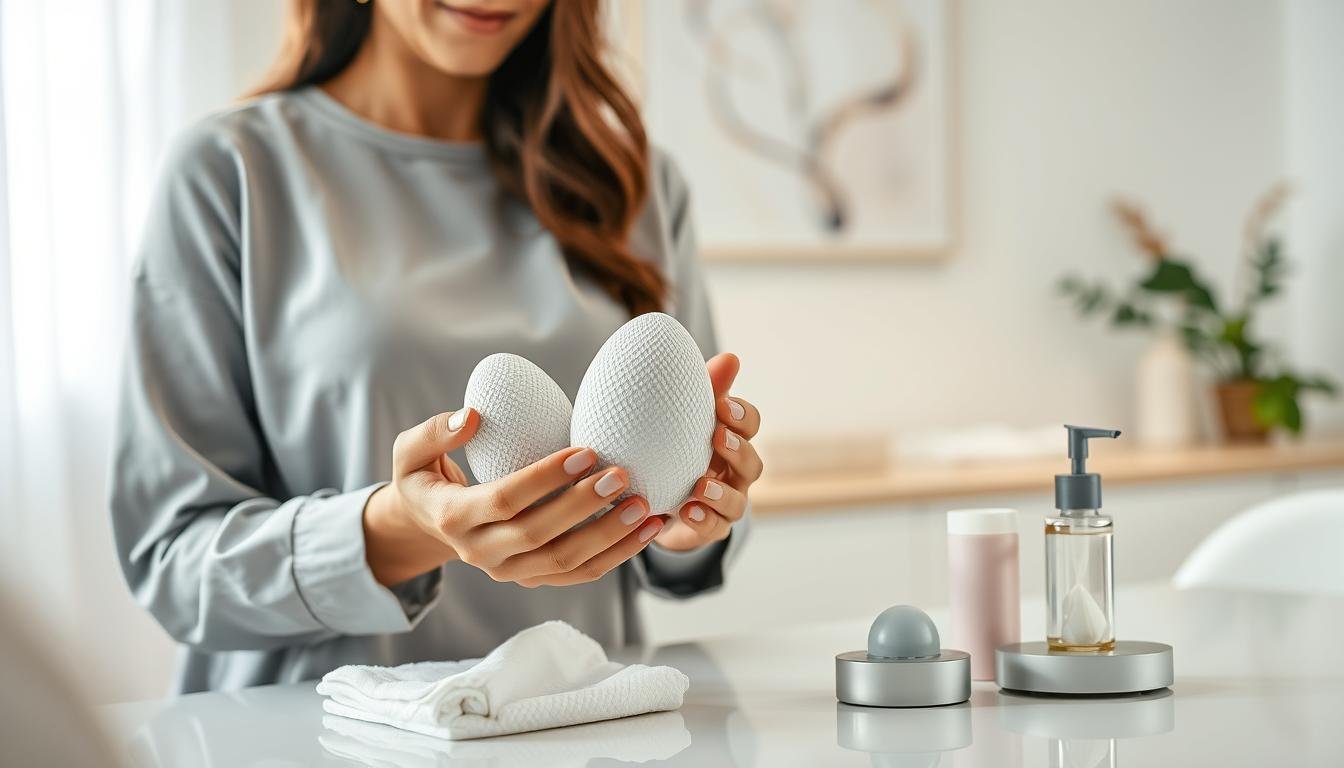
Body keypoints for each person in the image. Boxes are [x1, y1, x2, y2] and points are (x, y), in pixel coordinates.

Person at [109, 0, 762, 693]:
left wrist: (689, 516)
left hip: (573, 725)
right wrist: (403, 529)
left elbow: (682, 546)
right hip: (318, 738)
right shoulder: (231, 171)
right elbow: (171, 563)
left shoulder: (636, 183)